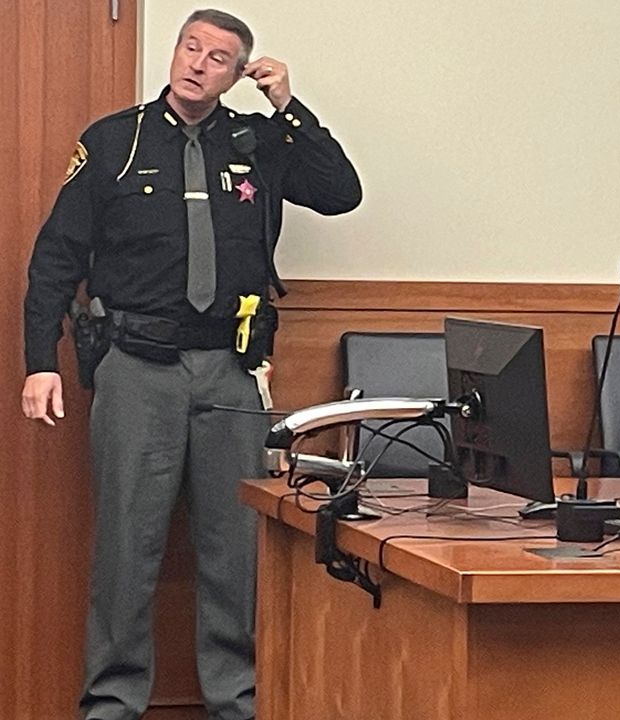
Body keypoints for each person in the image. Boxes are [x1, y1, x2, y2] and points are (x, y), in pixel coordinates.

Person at [21, 9, 361, 720]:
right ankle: (112, 703)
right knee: (126, 548)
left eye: (219, 57)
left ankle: (235, 702)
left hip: (232, 375)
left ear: (239, 72)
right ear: (174, 52)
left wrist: (288, 106)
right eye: (190, 46)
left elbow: (339, 193)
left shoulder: (257, 142)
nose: (198, 63)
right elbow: (56, 258)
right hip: (137, 368)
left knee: (235, 553)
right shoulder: (115, 140)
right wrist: (39, 362)